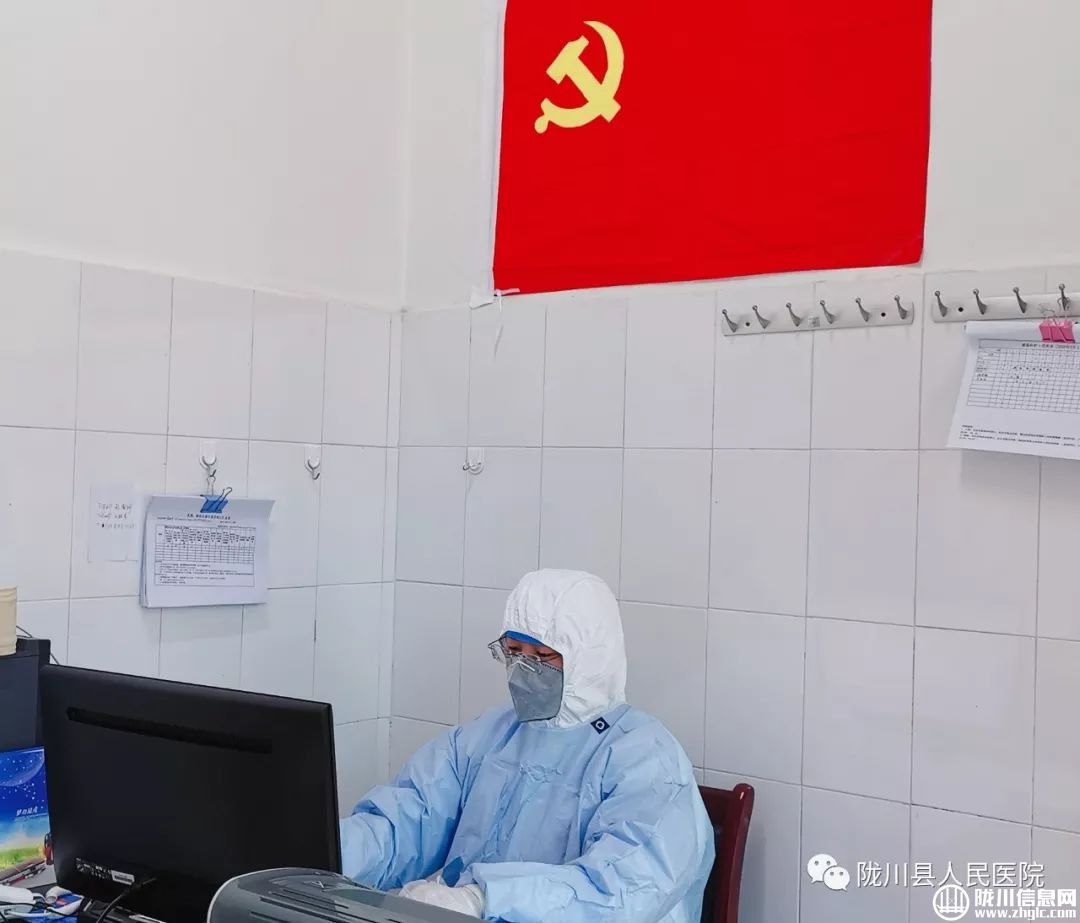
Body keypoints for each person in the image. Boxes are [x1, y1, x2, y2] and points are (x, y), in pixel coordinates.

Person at [340, 569, 714, 922]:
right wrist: (329, 851)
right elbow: (405, 820)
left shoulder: (646, 760)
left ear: (590, 659)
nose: (522, 669)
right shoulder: (488, 736)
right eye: (514, 651)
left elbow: (618, 891)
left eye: (542, 657)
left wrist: (482, 899)